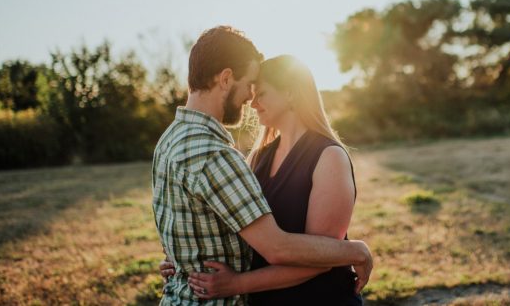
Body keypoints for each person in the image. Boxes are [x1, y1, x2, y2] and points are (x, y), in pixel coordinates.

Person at [152, 26, 371, 306]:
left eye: (261, 93)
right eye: (250, 89)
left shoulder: (327, 156)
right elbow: (251, 238)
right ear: (226, 78)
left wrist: (229, 280)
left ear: (290, 94)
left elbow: (319, 258)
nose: (251, 102)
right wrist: (183, 261)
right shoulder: (251, 158)